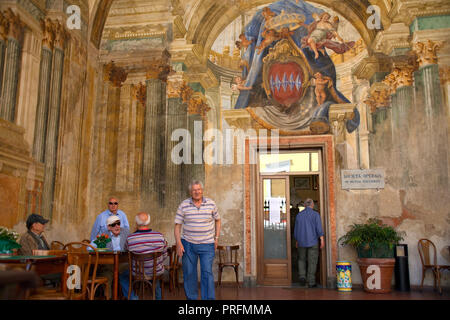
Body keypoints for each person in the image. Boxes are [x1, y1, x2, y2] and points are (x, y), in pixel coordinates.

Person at [174, 180, 221, 300]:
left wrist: (216, 238)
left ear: (202, 190)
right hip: (188, 244)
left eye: (199, 189)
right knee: (189, 274)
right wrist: (179, 243)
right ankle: (192, 299)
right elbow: (177, 225)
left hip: (207, 244)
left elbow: (218, 220)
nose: (197, 192)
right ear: (190, 192)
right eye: (194, 190)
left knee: (207, 273)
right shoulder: (184, 205)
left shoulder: (211, 204)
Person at [119, 212, 168, 300]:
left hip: (137, 273)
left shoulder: (130, 238)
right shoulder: (159, 236)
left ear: (136, 223)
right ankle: (158, 297)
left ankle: (133, 298)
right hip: (156, 271)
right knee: (155, 276)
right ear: (148, 222)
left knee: (122, 276)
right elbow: (165, 254)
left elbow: (127, 253)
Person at [91, 215, 130, 299]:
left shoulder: (126, 232)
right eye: (113, 225)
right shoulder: (104, 235)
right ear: (109, 227)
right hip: (109, 265)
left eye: (118, 223)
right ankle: (109, 297)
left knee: (125, 273)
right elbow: (90, 247)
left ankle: (129, 297)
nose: (117, 226)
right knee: (106, 276)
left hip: (123, 264)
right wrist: (99, 248)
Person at [293, 198, 324, 288]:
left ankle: (302, 276)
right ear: (312, 205)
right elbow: (319, 228)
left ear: (305, 205)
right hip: (313, 241)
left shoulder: (299, 215)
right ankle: (311, 281)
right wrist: (321, 239)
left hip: (301, 241)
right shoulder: (315, 214)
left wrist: (297, 240)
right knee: (312, 261)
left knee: (301, 259)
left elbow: (296, 230)